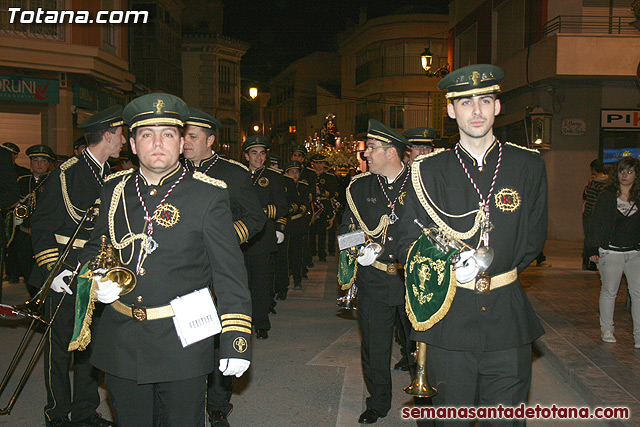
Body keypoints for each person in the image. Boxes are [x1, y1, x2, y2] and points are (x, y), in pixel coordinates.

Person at [78, 93, 252, 426]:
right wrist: (96, 278)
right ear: (132, 143)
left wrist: (236, 340)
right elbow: (95, 246)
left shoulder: (208, 193)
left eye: (168, 134)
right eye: (147, 134)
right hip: (122, 338)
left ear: (181, 141)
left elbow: (229, 275)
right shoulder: (113, 189)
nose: (158, 143)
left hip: (184, 337)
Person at [398, 64, 547, 425]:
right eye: (465, 102)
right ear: (451, 111)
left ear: (498, 106)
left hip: (507, 321)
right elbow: (405, 243)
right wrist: (446, 264)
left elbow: (532, 241)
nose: (476, 111)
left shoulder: (527, 165)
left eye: (484, 100)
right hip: (449, 322)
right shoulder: (427, 171)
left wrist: (494, 267)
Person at [30, 105, 125, 427]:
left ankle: (85, 412)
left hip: (93, 274)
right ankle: (57, 414)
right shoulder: (67, 173)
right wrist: (54, 272)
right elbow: (42, 226)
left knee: (90, 346)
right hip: (66, 272)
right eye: (121, 134)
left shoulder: (104, 174)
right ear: (108, 135)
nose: (124, 141)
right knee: (60, 350)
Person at [182, 107, 264, 427]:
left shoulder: (233, 173)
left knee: (218, 337)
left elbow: (256, 217)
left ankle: (218, 404)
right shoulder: (171, 172)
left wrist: (227, 238)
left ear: (210, 139)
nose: (186, 142)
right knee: (189, 334)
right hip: (185, 268)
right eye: (183, 135)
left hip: (219, 268)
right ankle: (187, 398)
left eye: (193, 136)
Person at [339, 119, 415, 424]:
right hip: (376, 279)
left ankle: (425, 399)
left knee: (420, 345)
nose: (365, 154)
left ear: (391, 151)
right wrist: (363, 249)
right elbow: (345, 234)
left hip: (414, 281)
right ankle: (378, 402)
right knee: (374, 346)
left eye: (371, 148)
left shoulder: (421, 183)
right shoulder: (360, 187)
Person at [586, 156, 640, 347]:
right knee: (609, 292)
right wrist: (592, 248)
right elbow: (595, 222)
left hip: (635, 253)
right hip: (611, 252)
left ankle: (638, 335)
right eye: (621, 171)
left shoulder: (638, 197)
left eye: (630, 171)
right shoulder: (607, 196)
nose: (625, 175)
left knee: (637, 293)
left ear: (636, 175)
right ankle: (607, 329)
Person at [242, 135, 288, 339]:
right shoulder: (238, 176)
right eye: (254, 153)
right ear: (246, 156)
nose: (259, 157)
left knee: (260, 283)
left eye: (262, 153)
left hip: (262, 237)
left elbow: (282, 207)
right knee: (242, 283)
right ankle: (241, 322)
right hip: (240, 237)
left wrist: (258, 213)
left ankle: (261, 323)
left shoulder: (274, 177)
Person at [9, 144, 55, 296]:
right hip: (25, 234)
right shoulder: (22, 180)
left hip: (45, 237)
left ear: (49, 164)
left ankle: (43, 302)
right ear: (30, 162)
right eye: (36, 160)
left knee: (45, 272)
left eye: (43, 161)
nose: (39, 164)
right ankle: (33, 301)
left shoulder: (54, 181)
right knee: (27, 271)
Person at [281, 160, 312, 295]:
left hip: (297, 224)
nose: (295, 174)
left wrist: (295, 209)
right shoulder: (282, 186)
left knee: (297, 253)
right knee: (284, 255)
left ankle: (297, 279)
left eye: (297, 172)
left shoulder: (303, 187)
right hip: (285, 225)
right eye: (291, 172)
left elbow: (304, 205)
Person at [290, 144, 316, 275]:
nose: (296, 157)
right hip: (291, 212)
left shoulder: (309, 174)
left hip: (304, 209)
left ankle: (304, 264)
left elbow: (312, 194)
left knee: (304, 240)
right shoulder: (288, 170)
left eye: (299, 156)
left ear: (303, 158)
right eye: (294, 155)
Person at [310, 154, 340, 262]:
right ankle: (312, 251)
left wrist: (321, 192)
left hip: (323, 206)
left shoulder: (329, 177)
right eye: (316, 163)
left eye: (321, 163)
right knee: (311, 231)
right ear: (312, 163)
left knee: (323, 231)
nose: (319, 165)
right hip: (312, 206)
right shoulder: (309, 176)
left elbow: (333, 192)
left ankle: (322, 254)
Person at [583, 159, 609, 270]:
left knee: (590, 237)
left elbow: (588, 199)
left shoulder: (594, 183)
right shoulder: (609, 183)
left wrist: (587, 213)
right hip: (604, 215)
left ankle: (589, 261)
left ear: (593, 169)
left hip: (592, 214)